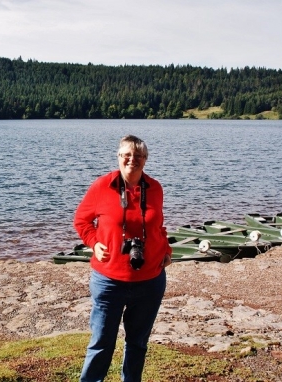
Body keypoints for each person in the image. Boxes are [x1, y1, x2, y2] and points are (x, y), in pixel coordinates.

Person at [73, 134, 172, 382]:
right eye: (127, 155)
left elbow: (159, 226)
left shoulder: (155, 188)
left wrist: (167, 250)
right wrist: (94, 243)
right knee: (101, 343)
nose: (132, 160)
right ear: (118, 157)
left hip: (150, 281)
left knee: (138, 343)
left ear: (145, 160)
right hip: (109, 281)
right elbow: (82, 221)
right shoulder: (102, 186)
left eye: (138, 156)